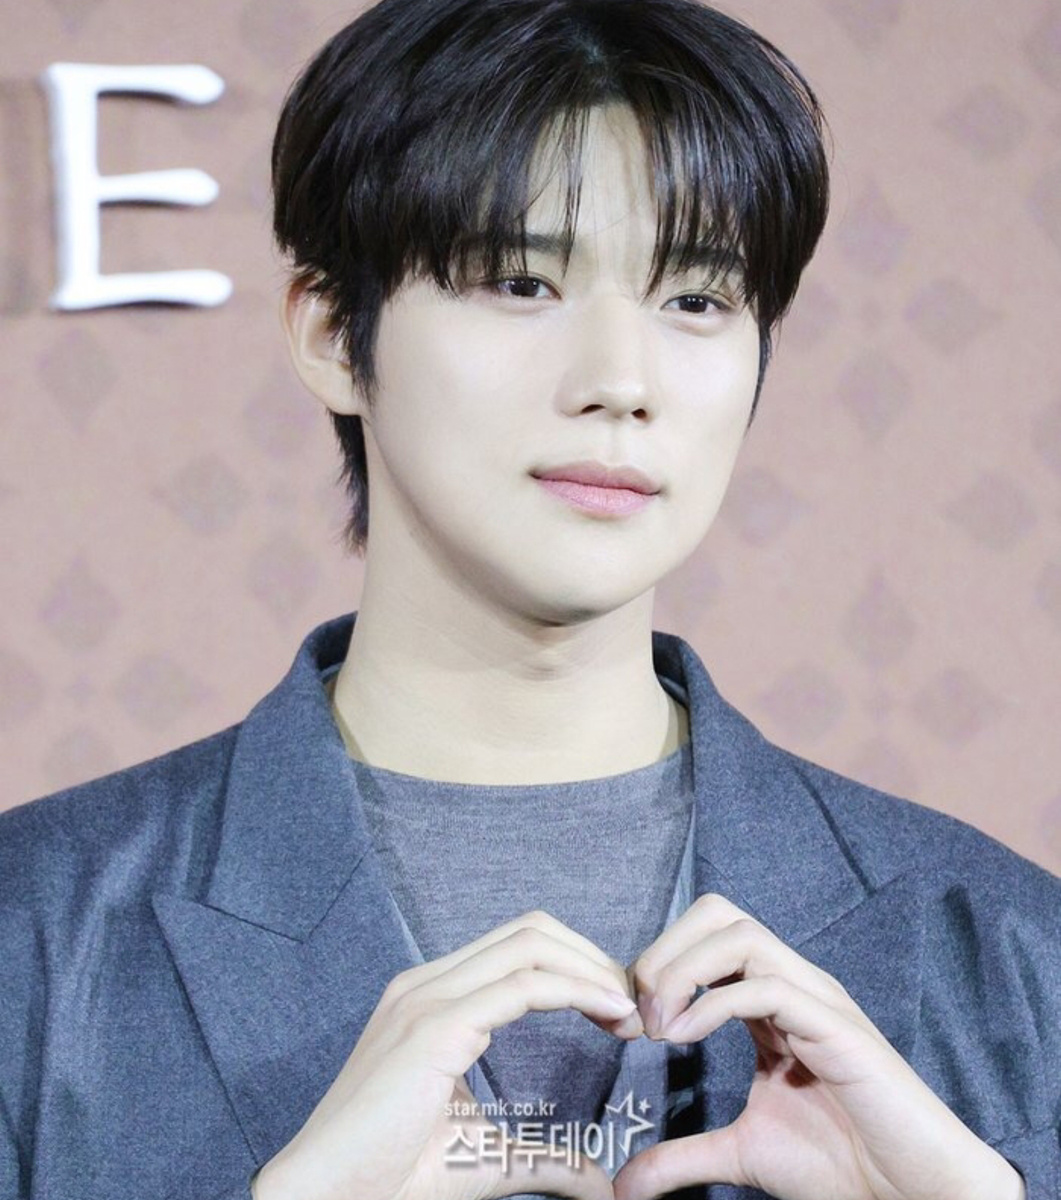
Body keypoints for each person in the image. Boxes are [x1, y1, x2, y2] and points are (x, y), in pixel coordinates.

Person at [1, 1, 1058, 1198]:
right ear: (333, 334)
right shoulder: (33, 939)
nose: (620, 381)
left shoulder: (1012, 956)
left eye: (695, 300)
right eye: (520, 281)